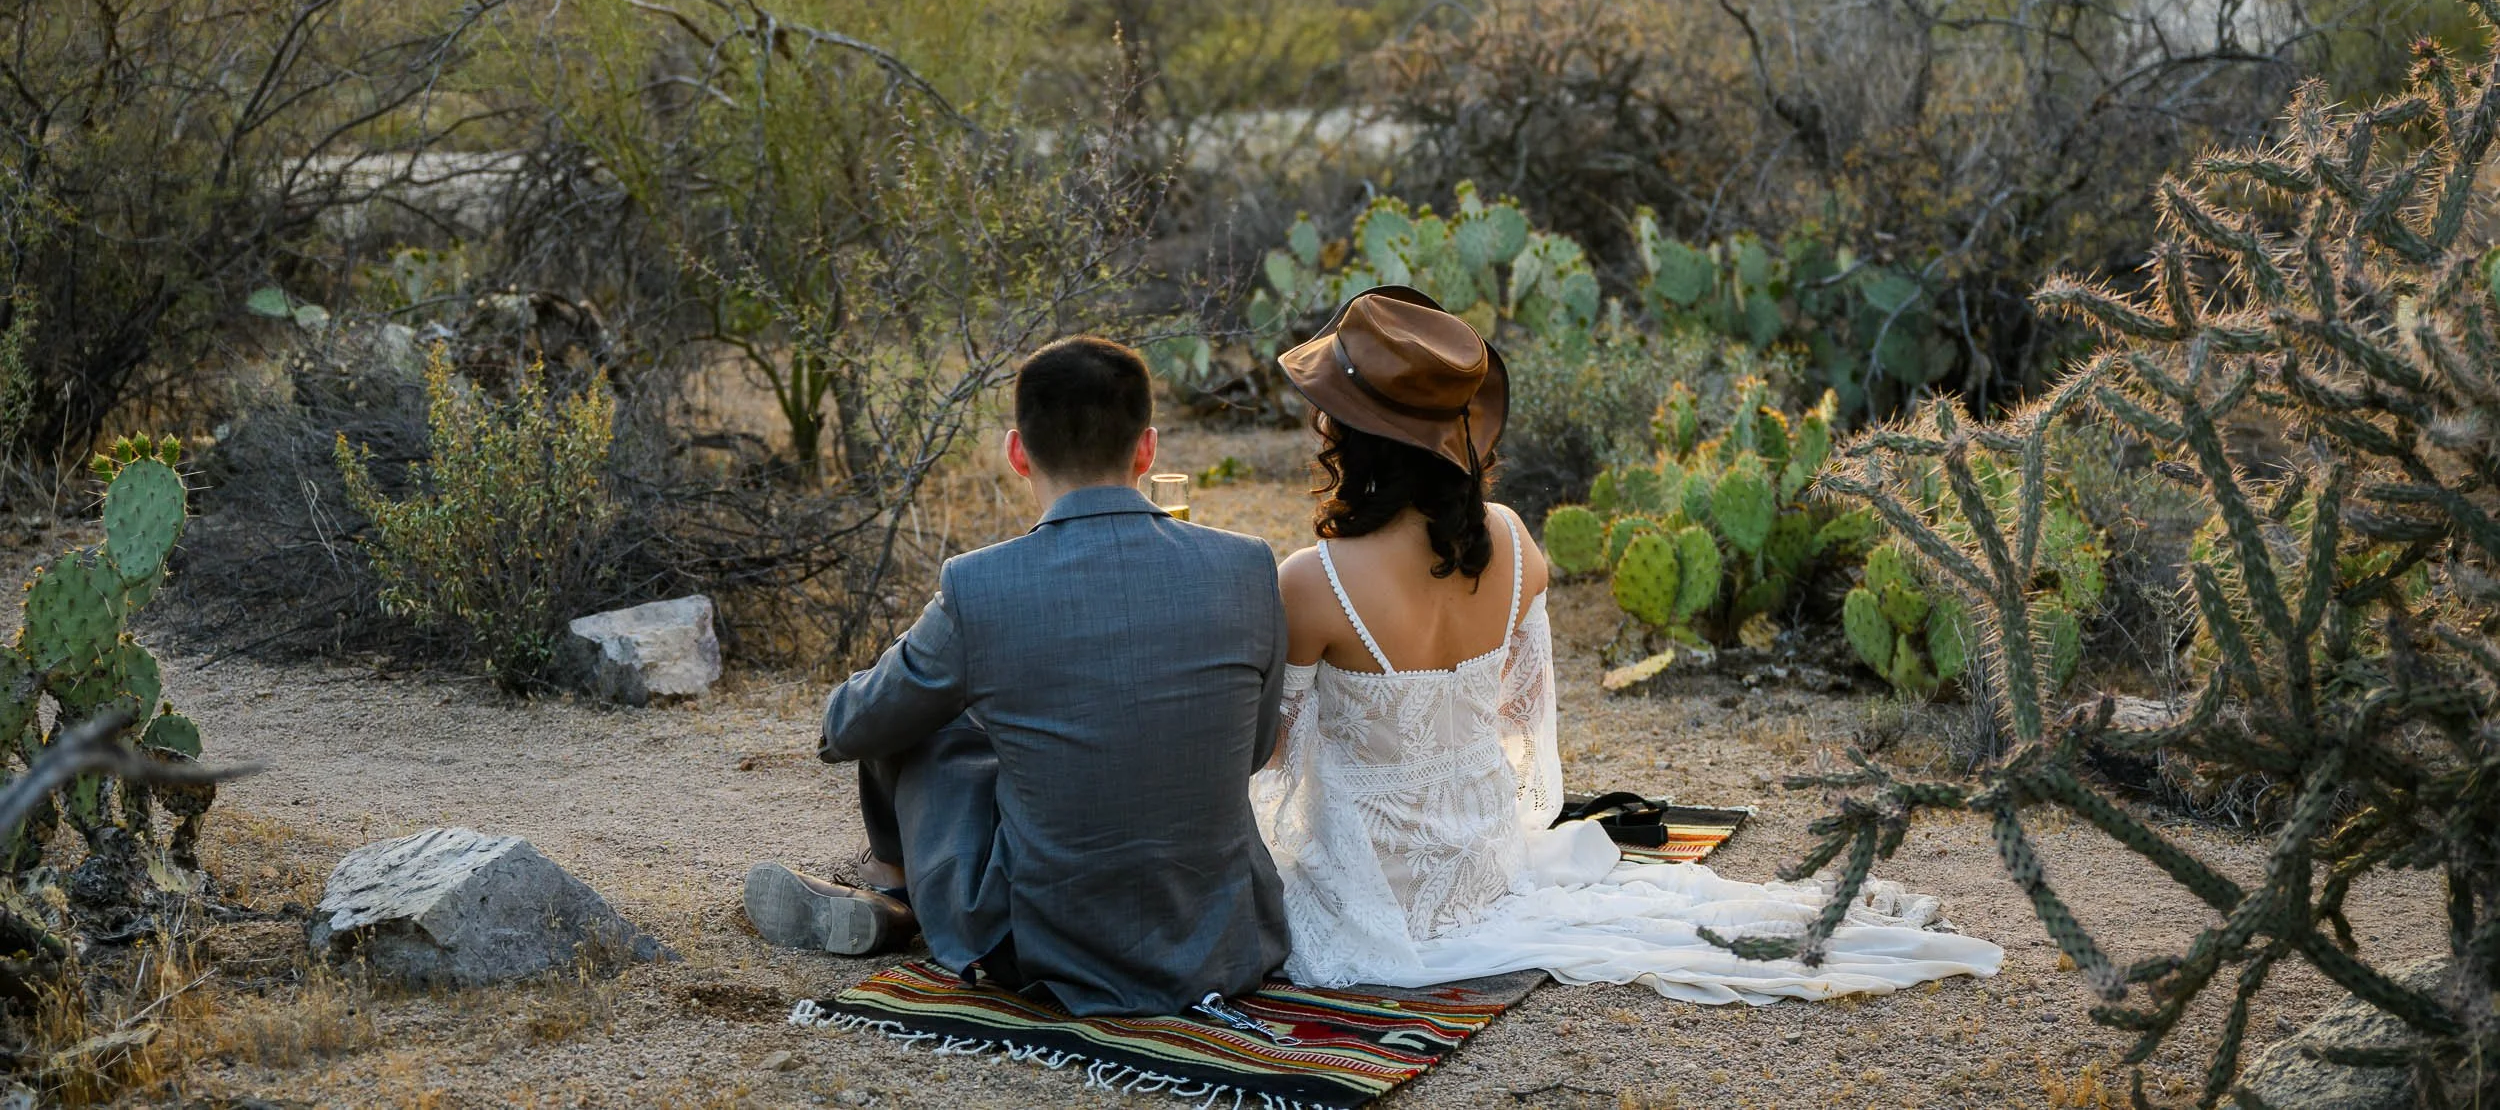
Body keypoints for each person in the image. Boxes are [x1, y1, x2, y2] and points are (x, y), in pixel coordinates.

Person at [1254, 286, 2003, 1002]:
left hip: (1381, 895)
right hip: (1486, 863)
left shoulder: (1312, 582)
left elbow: (1273, 754)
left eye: (1330, 409)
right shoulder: (1514, 541)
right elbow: (1517, 709)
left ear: (1354, 434)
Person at [743, 335, 1291, 1017]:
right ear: (1148, 449)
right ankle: (895, 894)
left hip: (1047, 952)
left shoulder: (981, 584)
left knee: (927, 715)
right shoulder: (1248, 565)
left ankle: (896, 890)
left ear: (1017, 452)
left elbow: (850, 727)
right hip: (1226, 944)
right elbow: (1253, 744)